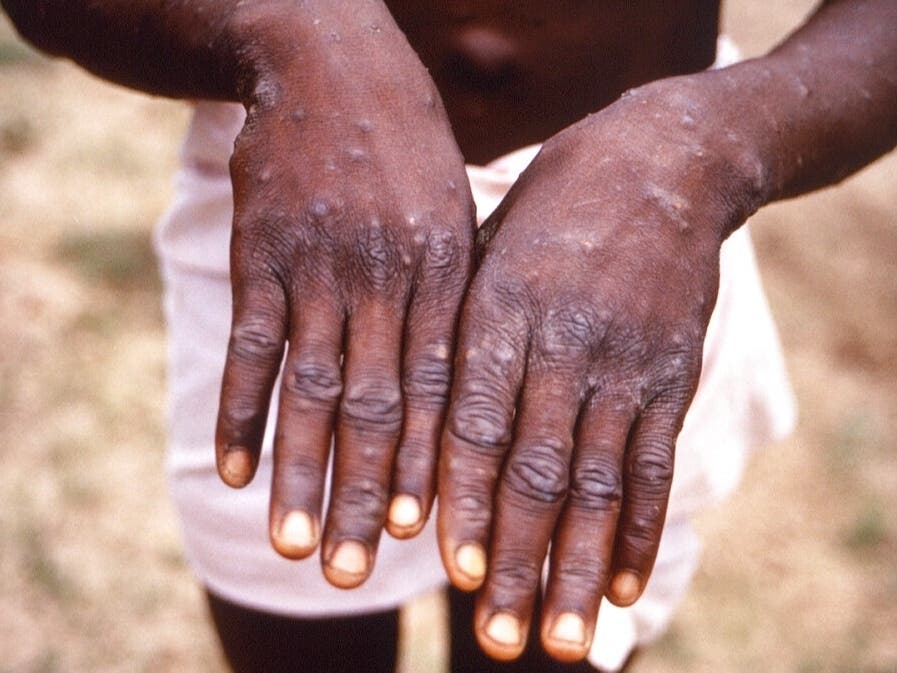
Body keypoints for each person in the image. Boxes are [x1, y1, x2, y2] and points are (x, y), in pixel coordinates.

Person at [2, 1, 894, 671]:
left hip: (634, 238)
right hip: (310, 194)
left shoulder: (680, 176)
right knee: (293, 621)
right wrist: (284, 29)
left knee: (549, 636)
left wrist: (707, 147)